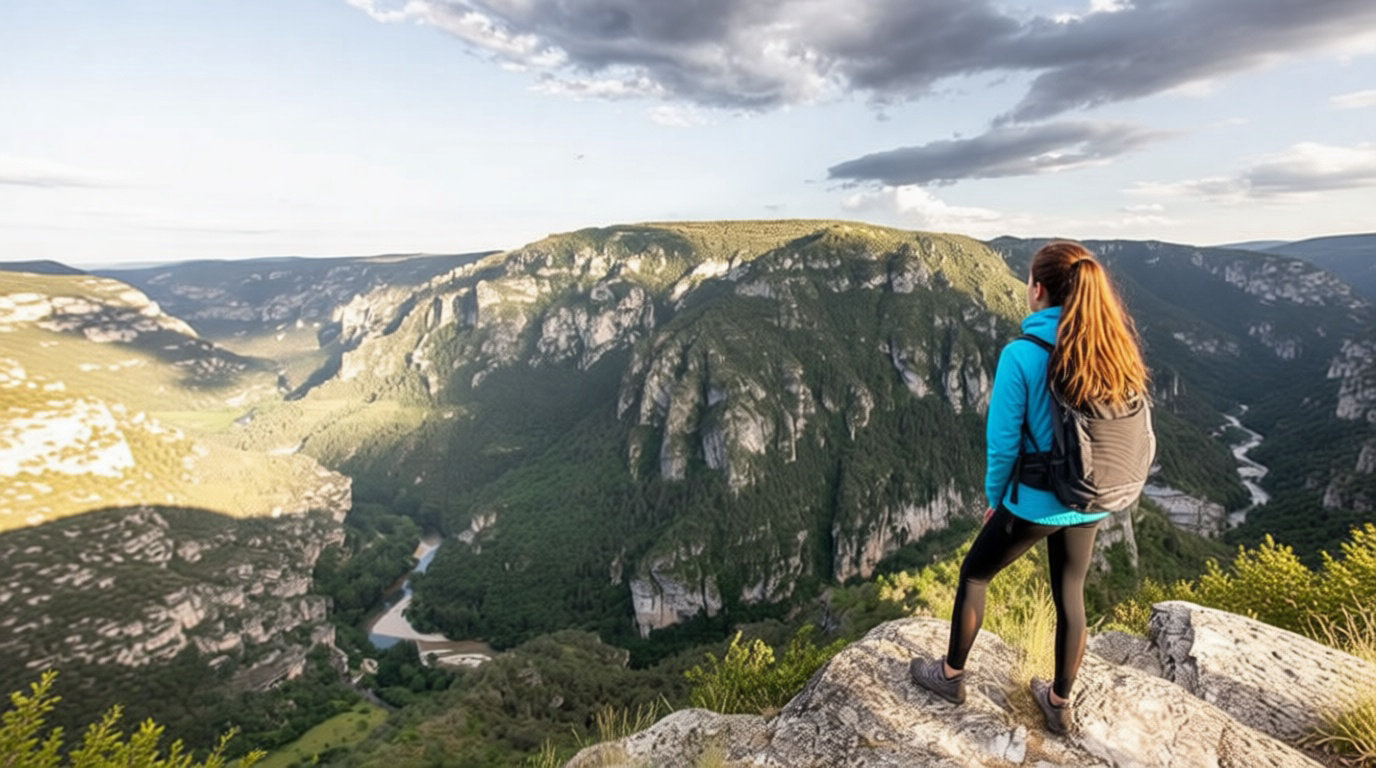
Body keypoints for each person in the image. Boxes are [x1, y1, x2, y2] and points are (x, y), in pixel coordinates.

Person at [909, 241, 1150, 735]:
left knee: (975, 574)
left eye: (1027, 281)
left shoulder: (1023, 353)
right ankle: (1059, 703)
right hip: (1090, 497)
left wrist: (996, 502)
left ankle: (950, 676)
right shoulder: (1111, 347)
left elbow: (1001, 444)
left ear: (1037, 289)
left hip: (1037, 500)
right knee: (1071, 593)